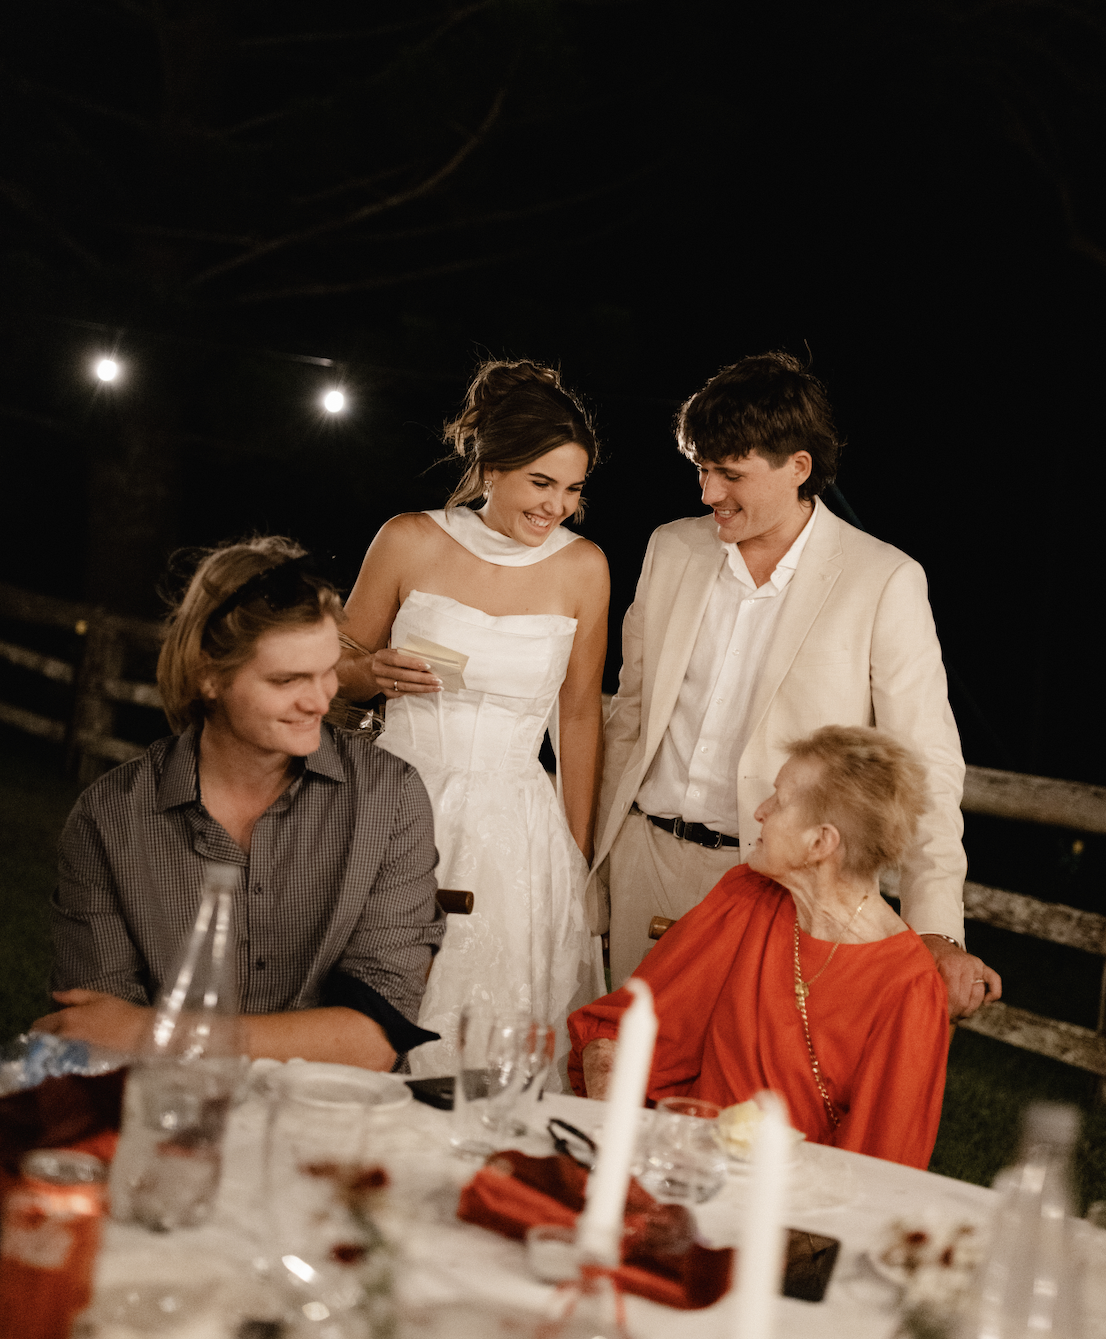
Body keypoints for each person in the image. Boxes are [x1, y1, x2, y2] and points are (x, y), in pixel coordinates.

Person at [590, 351, 1000, 1019]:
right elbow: (629, 718)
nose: (707, 494)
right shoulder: (670, 548)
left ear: (798, 467)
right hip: (643, 866)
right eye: (701, 470)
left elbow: (925, 769)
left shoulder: (884, 580)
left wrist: (937, 930)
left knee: (739, 1105)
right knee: (617, 1074)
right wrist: (595, 866)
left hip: (780, 886)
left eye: (730, 474)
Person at [35, 539, 444, 1070]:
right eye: (287, 680)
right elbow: (95, 1035)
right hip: (167, 1115)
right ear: (209, 675)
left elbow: (373, 1038)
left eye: (327, 671)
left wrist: (153, 1031)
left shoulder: (389, 798)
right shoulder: (110, 817)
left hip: (331, 1123)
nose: (320, 700)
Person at [337, 359, 609, 1083]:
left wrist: (574, 855)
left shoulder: (585, 568)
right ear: (492, 465)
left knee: (485, 1027)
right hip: (395, 795)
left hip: (514, 828)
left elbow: (579, 716)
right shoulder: (408, 539)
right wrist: (369, 674)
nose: (557, 507)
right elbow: (331, 667)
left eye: (573, 490)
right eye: (541, 484)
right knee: (373, 995)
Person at [571, 727, 949, 1169]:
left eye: (779, 800)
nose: (759, 811)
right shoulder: (747, 897)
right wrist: (622, 1154)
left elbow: (875, 1176)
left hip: (782, 1215)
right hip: (674, 1171)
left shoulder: (908, 987)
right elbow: (613, 1037)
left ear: (821, 843)